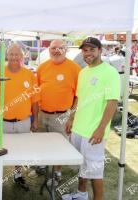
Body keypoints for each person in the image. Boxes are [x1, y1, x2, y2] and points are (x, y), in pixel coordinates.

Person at [63, 37, 120, 200]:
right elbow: (79, 98)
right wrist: (70, 118)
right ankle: (81, 194)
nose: (88, 53)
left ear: (100, 50)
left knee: (95, 171)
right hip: (78, 129)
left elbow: (112, 102)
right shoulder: (83, 72)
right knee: (83, 166)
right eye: (85, 50)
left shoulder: (110, 73)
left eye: (92, 50)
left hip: (93, 131)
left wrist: (101, 128)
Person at [0, 43, 39, 191]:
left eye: (17, 54)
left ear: (22, 57)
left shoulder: (29, 74)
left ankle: (17, 174)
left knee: (21, 151)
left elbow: (35, 100)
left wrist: (36, 120)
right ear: (6, 56)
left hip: (23, 122)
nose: (14, 57)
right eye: (12, 54)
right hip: (1, 122)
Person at [30, 39, 81, 181]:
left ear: (66, 50)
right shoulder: (42, 67)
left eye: (60, 48)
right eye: (53, 48)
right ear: (49, 50)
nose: (56, 51)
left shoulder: (75, 68)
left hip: (62, 115)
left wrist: (71, 116)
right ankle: (42, 167)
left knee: (60, 145)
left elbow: (79, 95)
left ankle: (57, 172)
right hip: (42, 113)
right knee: (41, 142)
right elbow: (36, 90)